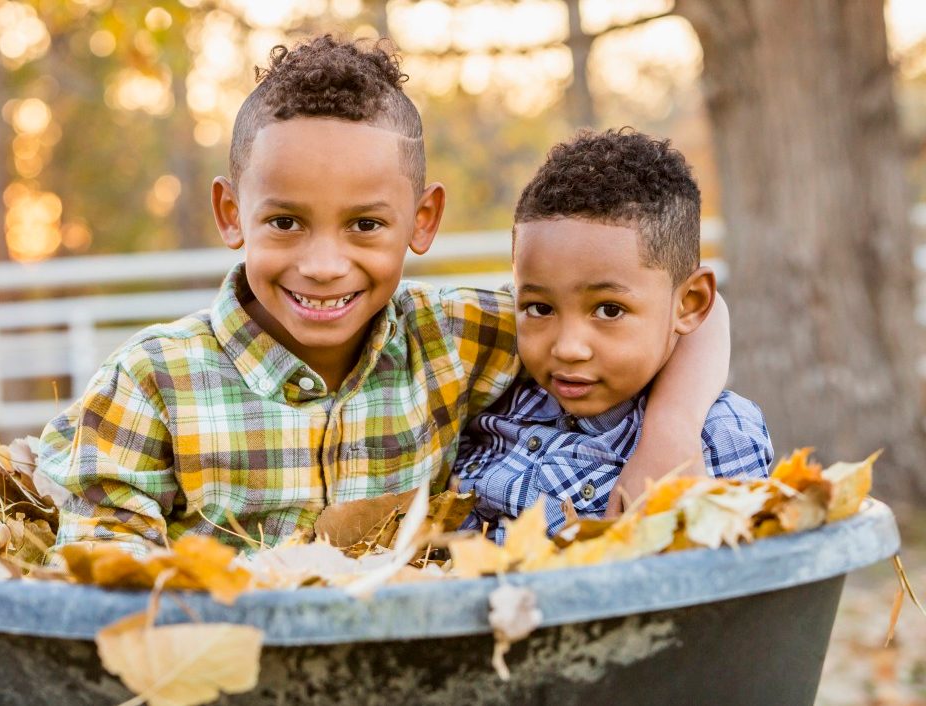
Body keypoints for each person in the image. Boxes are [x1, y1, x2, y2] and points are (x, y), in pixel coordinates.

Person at [37, 36, 732, 554]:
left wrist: (667, 433)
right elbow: (106, 570)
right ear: (230, 214)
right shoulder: (152, 382)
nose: (323, 264)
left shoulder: (453, 338)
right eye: (284, 223)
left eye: (366, 226)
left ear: (422, 221)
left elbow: (694, 316)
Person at [454, 129, 773, 542]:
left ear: (689, 303)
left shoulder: (716, 436)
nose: (567, 348)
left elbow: (746, 584)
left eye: (609, 310)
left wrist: (670, 429)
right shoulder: (497, 390)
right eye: (540, 308)